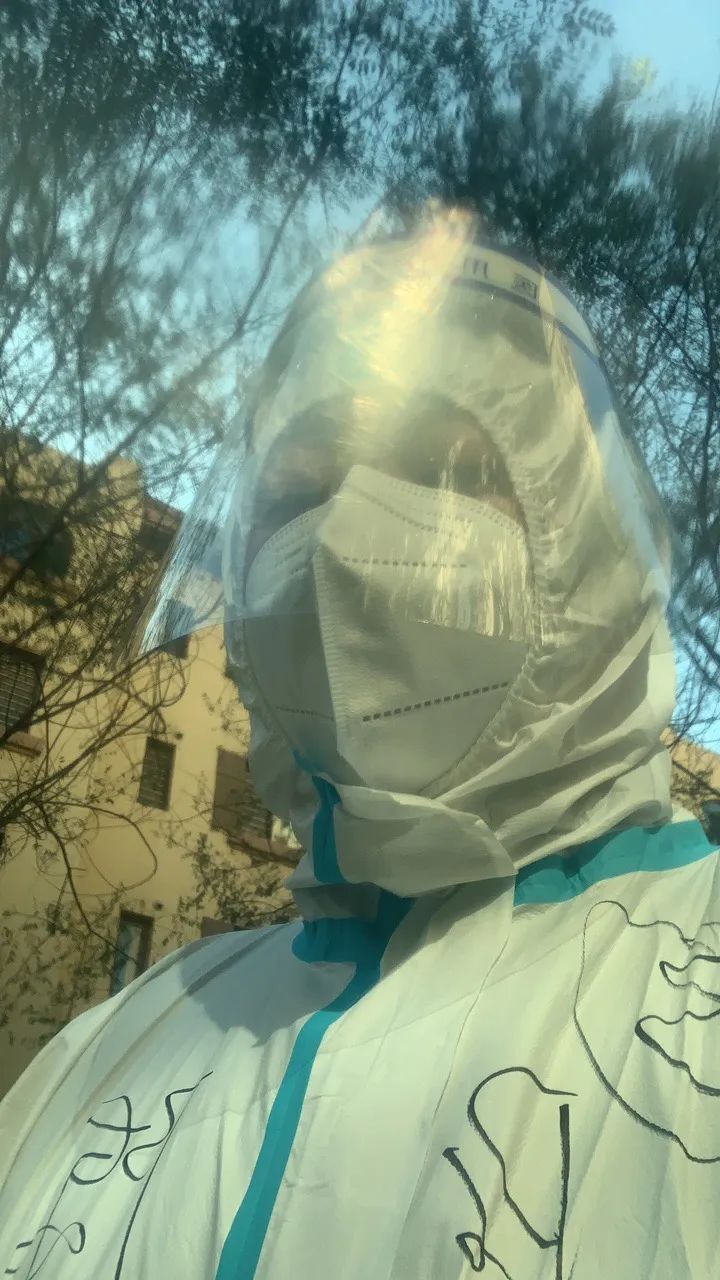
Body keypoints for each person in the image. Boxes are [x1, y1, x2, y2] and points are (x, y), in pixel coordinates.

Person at [1, 206, 718, 1280]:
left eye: (440, 465)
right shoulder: (110, 1046)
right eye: (296, 493)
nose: (340, 539)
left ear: (590, 543)